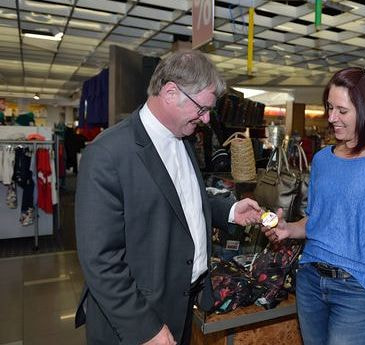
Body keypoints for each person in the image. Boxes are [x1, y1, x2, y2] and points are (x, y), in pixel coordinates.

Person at [74, 50, 262, 345]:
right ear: (171, 92)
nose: (206, 118)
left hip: (179, 303)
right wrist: (144, 327)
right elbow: (100, 260)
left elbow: (178, 200)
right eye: (202, 109)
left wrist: (230, 210)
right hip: (136, 318)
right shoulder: (108, 153)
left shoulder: (181, 137)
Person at [263, 67, 365, 345]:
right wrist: (288, 229)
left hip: (359, 291)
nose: (331, 117)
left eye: (342, 111)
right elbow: (318, 221)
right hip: (311, 281)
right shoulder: (324, 159)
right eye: (329, 107)